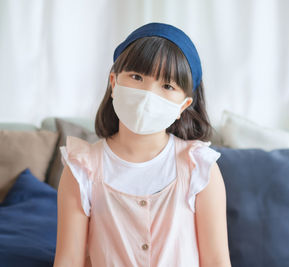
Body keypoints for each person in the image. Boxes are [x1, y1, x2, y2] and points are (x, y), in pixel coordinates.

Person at [53, 22, 231, 267]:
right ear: (114, 82)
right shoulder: (81, 168)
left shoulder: (200, 167)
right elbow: (68, 260)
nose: (149, 95)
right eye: (137, 77)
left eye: (167, 86)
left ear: (183, 105)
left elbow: (216, 261)